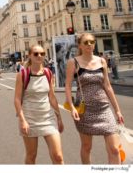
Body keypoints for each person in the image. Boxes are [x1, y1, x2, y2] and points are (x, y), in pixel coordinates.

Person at [65, 33, 125, 164]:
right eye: (85, 42)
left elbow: (107, 86)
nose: (89, 44)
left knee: (114, 149)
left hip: (104, 109)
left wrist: (117, 110)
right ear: (80, 45)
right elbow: (68, 86)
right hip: (85, 111)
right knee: (87, 147)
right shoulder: (73, 62)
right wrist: (71, 107)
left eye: (91, 42)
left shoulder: (102, 61)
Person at [14, 45, 64, 164]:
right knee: (31, 156)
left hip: (48, 118)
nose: (39, 56)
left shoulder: (48, 73)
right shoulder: (23, 74)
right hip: (29, 119)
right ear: (30, 56)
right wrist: (22, 120)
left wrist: (59, 118)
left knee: (58, 156)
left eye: (42, 53)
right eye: (36, 54)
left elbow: (51, 97)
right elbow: (16, 99)